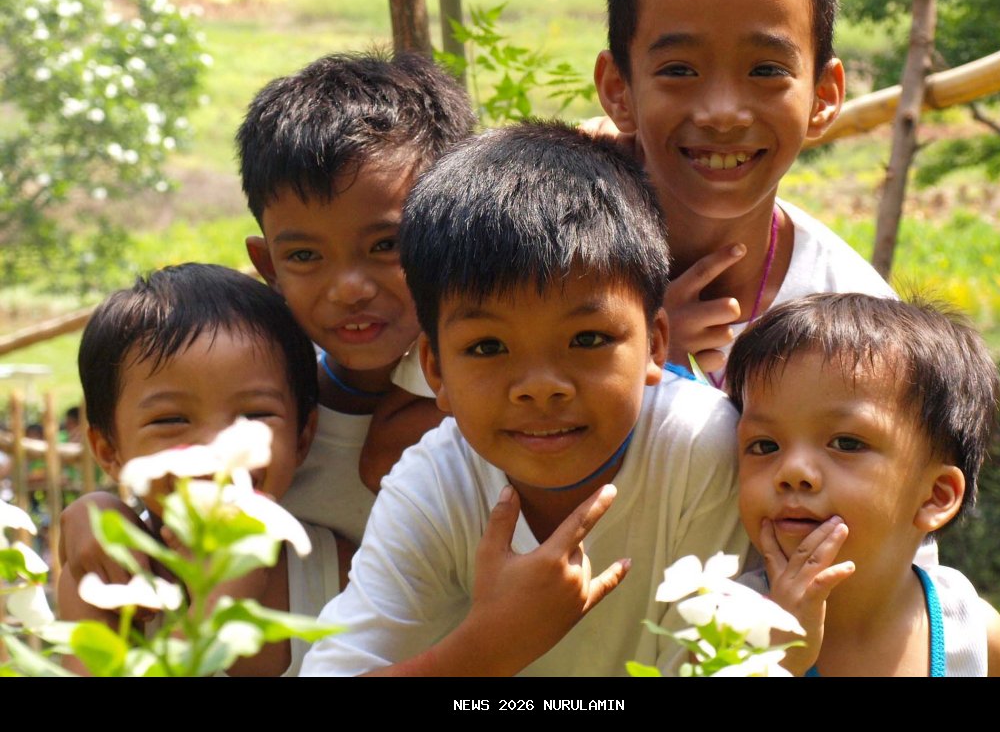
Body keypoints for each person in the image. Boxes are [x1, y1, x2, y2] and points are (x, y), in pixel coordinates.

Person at [301, 121, 746, 677]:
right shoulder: (437, 483)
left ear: (656, 344)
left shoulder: (703, 449)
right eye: (488, 346)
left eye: (587, 339)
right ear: (435, 368)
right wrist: (485, 651)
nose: (540, 385)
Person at [593, 0, 894, 387]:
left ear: (823, 96)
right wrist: (636, 347)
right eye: (678, 70)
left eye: (767, 70)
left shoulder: (863, 335)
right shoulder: (538, 260)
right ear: (618, 90)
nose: (722, 114)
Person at [59, 263, 353, 676]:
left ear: (302, 437)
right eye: (170, 420)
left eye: (254, 414)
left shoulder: (340, 570)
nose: (216, 450)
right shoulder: (106, 583)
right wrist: (217, 607)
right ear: (109, 451)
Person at [237, 51, 475, 529]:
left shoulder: (519, 407)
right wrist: (103, 513)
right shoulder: (258, 435)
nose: (348, 290)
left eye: (386, 244)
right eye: (304, 256)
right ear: (269, 268)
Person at [725, 293, 1000, 676]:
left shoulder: (975, 635)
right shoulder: (723, 628)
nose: (792, 470)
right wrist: (773, 665)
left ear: (935, 496)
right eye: (765, 446)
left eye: (846, 443)